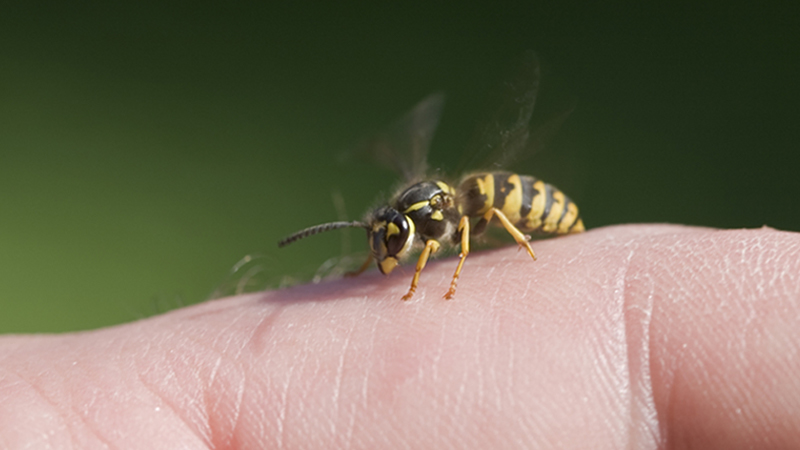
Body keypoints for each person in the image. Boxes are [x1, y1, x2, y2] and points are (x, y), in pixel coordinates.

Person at [1, 224, 798, 448]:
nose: (389, 251)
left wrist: (441, 277)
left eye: (393, 243)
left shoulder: (448, 229)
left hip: (521, 218)